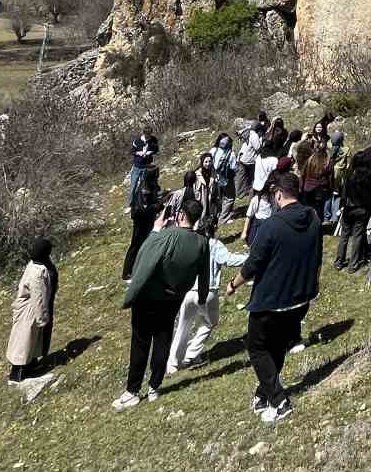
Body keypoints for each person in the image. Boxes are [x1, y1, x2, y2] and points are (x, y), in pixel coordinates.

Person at [227, 171, 323, 424]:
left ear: (278, 194)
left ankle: (280, 401)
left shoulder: (272, 225)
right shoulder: (313, 218)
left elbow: (252, 265)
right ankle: (263, 393)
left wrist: (232, 285)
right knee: (277, 346)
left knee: (257, 347)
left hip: (273, 300)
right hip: (301, 296)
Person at [114, 196, 211, 410]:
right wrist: (202, 296)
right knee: (163, 339)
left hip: (149, 297)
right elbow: (205, 274)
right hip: (173, 298)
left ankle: (132, 390)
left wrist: (156, 229)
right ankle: (154, 387)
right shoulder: (202, 242)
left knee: (140, 342)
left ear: (181, 215)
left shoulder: (166, 236)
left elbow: (144, 258)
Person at [167, 235, 248, 375]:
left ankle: (173, 363)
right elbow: (229, 260)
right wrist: (250, 257)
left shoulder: (187, 242)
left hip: (188, 291)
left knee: (183, 325)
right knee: (210, 322)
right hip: (208, 291)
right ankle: (190, 356)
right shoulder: (213, 244)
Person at [6, 238, 56, 383]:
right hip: (30, 310)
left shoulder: (33, 265)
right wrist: (43, 318)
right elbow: (38, 297)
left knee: (30, 339)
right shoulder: (38, 272)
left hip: (28, 308)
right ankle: (19, 373)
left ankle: (31, 365)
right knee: (24, 341)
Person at [334, 155, 371, 272]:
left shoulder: (350, 175)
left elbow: (344, 192)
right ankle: (353, 264)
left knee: (344, 235)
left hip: (348, 208)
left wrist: (342, 206)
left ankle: (339, 261)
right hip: (362, 209)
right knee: (357, 236)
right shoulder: (369, 176)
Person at [122, 166, 161, 281]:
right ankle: (127, 272)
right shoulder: (145, 188)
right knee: (135, 246)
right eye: (156, 174)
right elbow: (145, 208)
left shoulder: (152, 185)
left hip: (147, 220)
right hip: (141, 222)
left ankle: (140, 269)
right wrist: (157, 206)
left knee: (144, 245)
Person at [299, 139, 334, 219]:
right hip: (321, 189)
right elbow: (330, 177)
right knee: (318, 210)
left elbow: (303, 174)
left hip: (308, 188)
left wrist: (301, 187)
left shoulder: (310, 159)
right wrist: (331, 188)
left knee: (308, 208)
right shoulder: (328, 161)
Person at [210, 133, 240, 226]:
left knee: (218, 198)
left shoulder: (213, 150)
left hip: (214, 178)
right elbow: (235, 168)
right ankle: (223, 219)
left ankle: (217, 215)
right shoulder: (231, 154)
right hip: (227, 180)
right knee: (229, 198)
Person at [127, 124, 159, 207]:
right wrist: (138, 153)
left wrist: (150, 152)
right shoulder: (137, 141)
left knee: (143, 187)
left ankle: (142, 202)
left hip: (147, 167)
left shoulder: (153, 140)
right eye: (147, 136)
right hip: (137, 166)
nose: (148, 137)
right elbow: (132, 151)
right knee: (133, 186)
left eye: (150, 135)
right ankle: (130, 204)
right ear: (144, 134)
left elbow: (156, 149)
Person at [238, 114, 267, 199]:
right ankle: (252, 196)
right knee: (253, 180)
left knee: (245, 179)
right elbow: (258, 148)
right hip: (251, 162)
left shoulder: (246, 133)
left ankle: (243, 193)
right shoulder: (253, 135)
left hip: (243, 160)